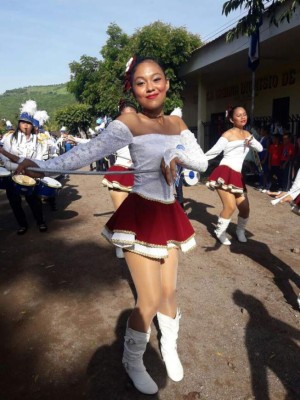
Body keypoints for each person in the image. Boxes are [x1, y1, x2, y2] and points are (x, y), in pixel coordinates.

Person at [15, 55, 208, 395]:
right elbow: (85, 153)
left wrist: (174, 156)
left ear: (166, 83)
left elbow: (202, 161)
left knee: (169, 293)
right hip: (140, 216)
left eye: (156, 78)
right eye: (141, 82)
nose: (150, 86)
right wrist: (43, 167)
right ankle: (132, 360)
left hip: (169, 215)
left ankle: (170, 346)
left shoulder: (178, 125)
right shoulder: (128, 123)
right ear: (133, 90)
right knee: (148, 298)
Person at [205, 106, 263, 245]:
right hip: (225, 172)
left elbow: (260, 148)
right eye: (238, 115)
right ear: (231, 119)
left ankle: (240, 231)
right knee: (230, 206)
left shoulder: (248, 134)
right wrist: (195, 162)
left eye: (244, 114)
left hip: (237, 175)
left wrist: (252, 142)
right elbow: (213, 152)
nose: (243, 117)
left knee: (245, 208)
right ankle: (220, 231)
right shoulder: (227, 134)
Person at [0, 100, 48, 234]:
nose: (25, 126)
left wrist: (27, 168)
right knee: (15, 202)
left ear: (32, 126)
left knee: (34, 201)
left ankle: (40, 222)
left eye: (28, 123)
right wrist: (17, 167)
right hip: (12, 174)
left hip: (29, 174)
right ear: (18, 124)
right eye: (22, 122)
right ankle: (22, 225)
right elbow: (4, 157)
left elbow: (38, 159)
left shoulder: (37, 141)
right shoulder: (9, 138)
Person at [101, 99, 137, 258]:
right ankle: (119, 244)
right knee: (121, 212)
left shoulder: (144, 133)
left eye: (133, 115)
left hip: (139, 174)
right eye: (125, 116)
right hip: (120, 173)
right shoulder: (114, 135)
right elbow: (92, 147)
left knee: (137, 211)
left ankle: (133, 240)